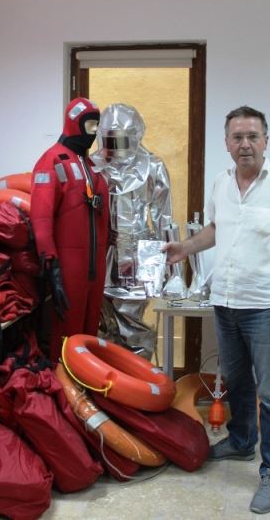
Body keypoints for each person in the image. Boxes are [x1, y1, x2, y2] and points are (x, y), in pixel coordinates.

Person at [163, 106, 270, 514]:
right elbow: (217, 230)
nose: (245, 144)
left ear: (266, 141)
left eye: (253, 136)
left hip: (266, 305)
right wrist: (185, 248)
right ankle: (241, 441)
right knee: (236, 382)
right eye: (237, 137)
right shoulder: (220, 183)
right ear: (227, 143)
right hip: (226, 302)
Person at [90, 103, 173, 357]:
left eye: (122, 140)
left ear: (135, 136)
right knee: (103, 325)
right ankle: (107, 377)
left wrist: (172, 271)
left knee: (132, 323)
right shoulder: (92, 167)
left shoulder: (152, 167)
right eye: (110, 140)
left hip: (139, 256)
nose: (116, 148)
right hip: (102, 255)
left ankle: (138, 376)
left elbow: (163, 219)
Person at [31, 97, 110, 363]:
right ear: (74, 123)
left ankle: (87, 384)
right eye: (89, 124)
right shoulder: (52, 161)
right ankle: (63, 385)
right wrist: (49, 261)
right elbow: (41, 217)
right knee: (67, 334)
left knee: (89, 334)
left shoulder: (90, 166)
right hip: (68, 266)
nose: (93, 131)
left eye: (96, 125)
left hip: (94, 266)